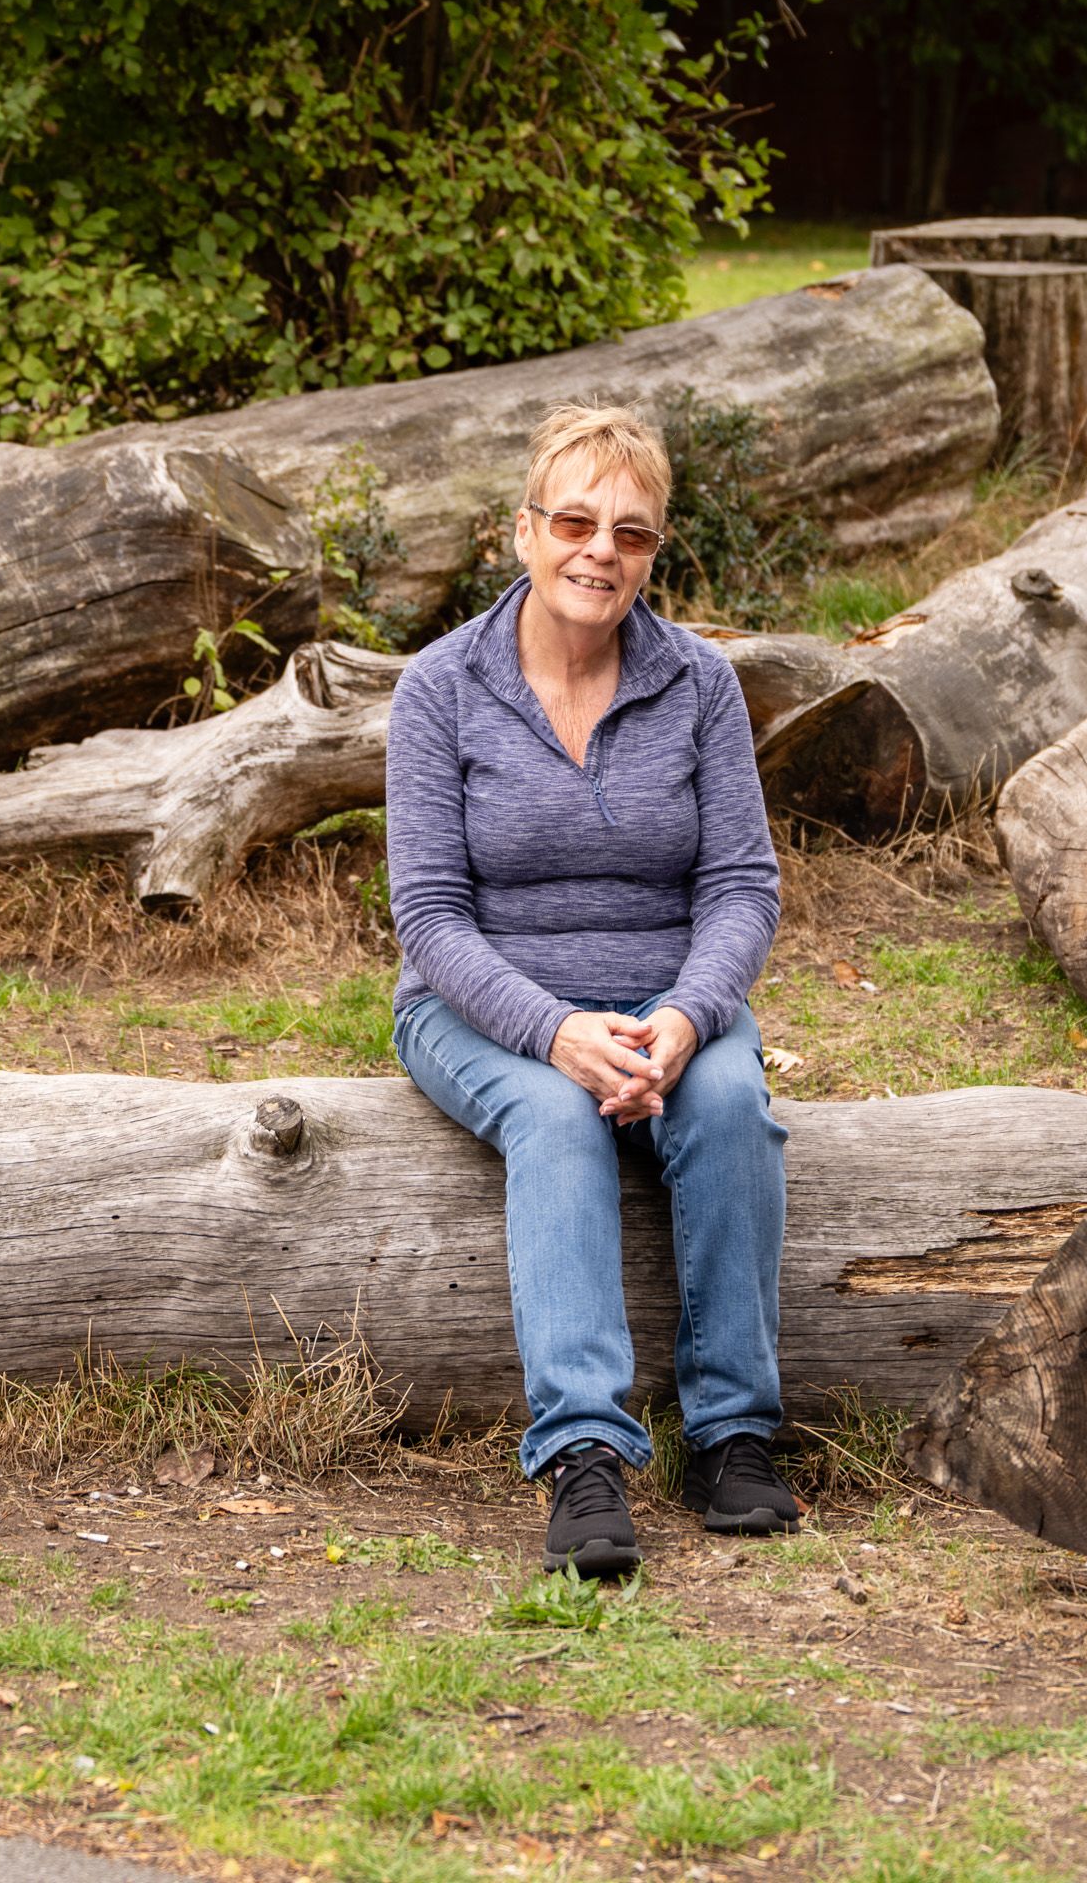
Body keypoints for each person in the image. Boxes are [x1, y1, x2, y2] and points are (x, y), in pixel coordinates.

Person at [386, 401, 797, 1578]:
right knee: (557, 1121)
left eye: (630, 531)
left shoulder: (701, 685)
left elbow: (739, 887)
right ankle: (583, 1457)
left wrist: (682, 1017)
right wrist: (554, 1032)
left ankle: (732, 1434)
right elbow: (428, 918)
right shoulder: (440, 689)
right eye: (573, 520)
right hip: (478, 1004)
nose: (599, 551)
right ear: (522, 531)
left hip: (667, 995)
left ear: (654, 550)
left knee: (726, 1106)